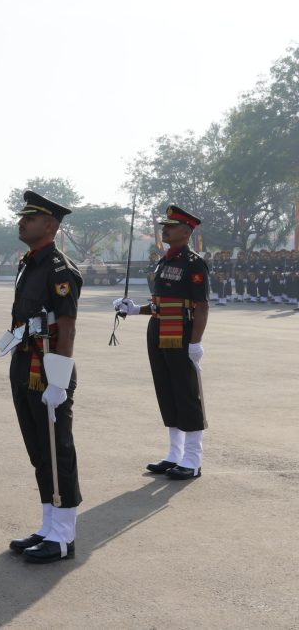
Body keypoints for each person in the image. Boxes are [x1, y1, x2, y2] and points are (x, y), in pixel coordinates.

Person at [2, 191, 82, 564]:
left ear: (50, 225)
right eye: (23, 217)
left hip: (49, 366)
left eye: (30, 218)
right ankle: (48, 524)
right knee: (39, 450)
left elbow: (66, 327)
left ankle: (64, 535)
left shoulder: (58, 268)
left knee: (57, 450)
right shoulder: (29, 262)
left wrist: (59, 381)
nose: (22, 222)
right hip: (24, 360)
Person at [114, 205, 209, 481]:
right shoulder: (164, 261)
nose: (164, 229)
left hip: (181, 331)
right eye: (164, 225)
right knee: (166, 389)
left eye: (170, 226)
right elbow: (159, 305)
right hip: (158, 329)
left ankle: (192, 459)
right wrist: (134, 309)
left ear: (186, 231)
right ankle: (174, 453)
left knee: (186, 392)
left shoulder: (193, 263)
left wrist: (196, 342)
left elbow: (201, 306)